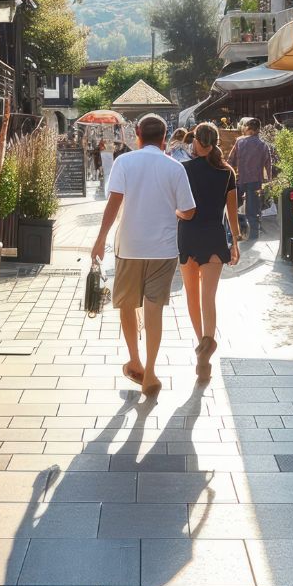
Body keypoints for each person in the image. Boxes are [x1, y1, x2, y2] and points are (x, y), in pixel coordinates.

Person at [92, 114, 197, 395]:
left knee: (127, 305)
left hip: (129, 246)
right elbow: (189, 211)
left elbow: (113, 204)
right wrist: (173, 211)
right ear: (165, 137)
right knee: (154, 308)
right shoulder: (175, 167)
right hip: (163, 250)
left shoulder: (124, 162)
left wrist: (100, 239)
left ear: (137, 134)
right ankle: (150, 371)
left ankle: (135, 360)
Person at [178, 122, 239, 381]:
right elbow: (232, 215)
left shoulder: (184, 170)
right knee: (209, 297)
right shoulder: (227, 173)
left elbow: (179, 206)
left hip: (188, 235)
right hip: (214, 236)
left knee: (192, 295)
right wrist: (235, 242)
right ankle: (207, 343)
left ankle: (201, 346)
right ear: (215, 142)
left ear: (196, 142)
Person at [228, 117, 275, 242]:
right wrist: (269, 181)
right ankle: (253, 237)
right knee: (253, 211)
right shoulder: (263, 146)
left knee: (232, 206)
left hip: (240, 179)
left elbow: (230, 160)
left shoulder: (239, 142)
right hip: (255, 181)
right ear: (258, 130)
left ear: (247, 128)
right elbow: (268, 165)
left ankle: (234, 233)